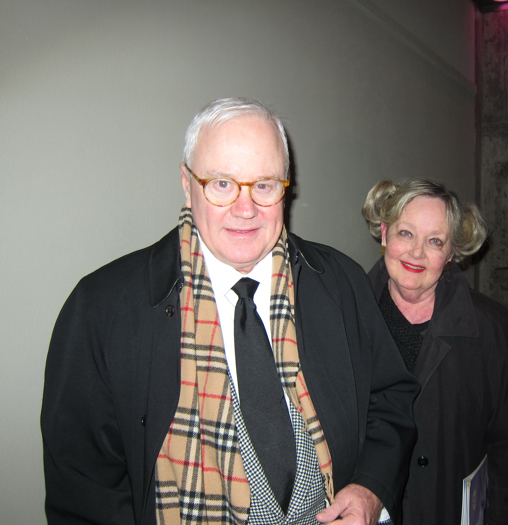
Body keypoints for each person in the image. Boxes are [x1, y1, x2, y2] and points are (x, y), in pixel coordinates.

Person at [41, 98, 419, 525]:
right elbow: (84, 489)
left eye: (264, 185)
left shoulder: (341, 282)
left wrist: (372, 488)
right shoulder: (101, 310)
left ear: (285, 187)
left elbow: (391, 400)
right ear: (187, 184)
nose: (246, 208)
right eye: (222, 183)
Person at [362, 179, 508, 525]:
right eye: (405, 233)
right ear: (384, 233)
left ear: (452, 252)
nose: (416, 253)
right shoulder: (348, 313)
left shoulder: (493, 328)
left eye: (435, 241)